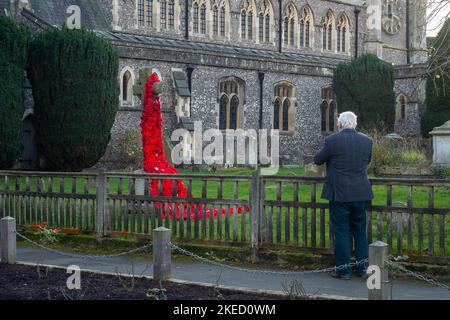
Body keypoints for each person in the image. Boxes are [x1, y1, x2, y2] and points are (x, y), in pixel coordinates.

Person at [314, 111, 373, 280]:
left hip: (339, 194)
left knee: (341, 232)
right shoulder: (367, 141)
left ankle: (344, 270)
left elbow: (318, 159)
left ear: (340, 124)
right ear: (355, 123)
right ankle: (363, 269)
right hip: (361, 193)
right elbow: (367, 161)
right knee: (360, 232)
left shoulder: (332, 140)